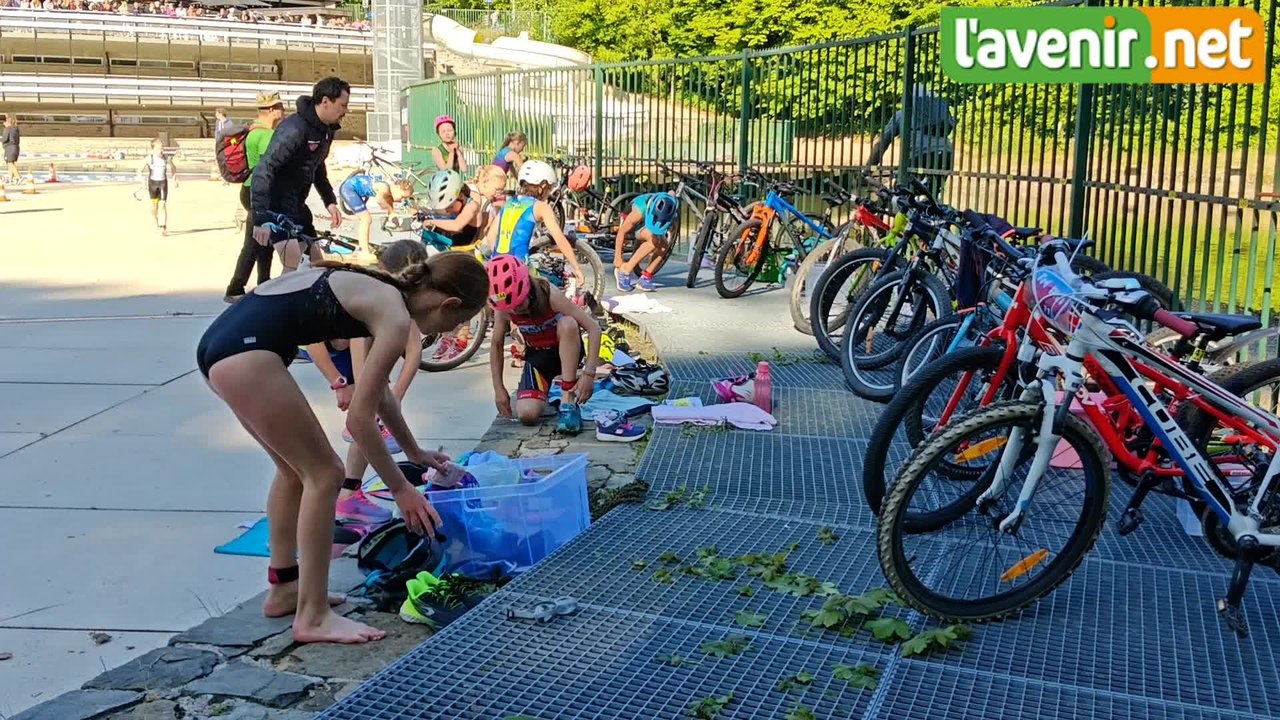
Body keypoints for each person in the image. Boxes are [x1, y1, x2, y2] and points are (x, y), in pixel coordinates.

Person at [195, 251, 488, 644]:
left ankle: (284, 587)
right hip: (245, 354)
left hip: (222, 347)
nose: (448, 332)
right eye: (456, 323)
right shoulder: (396, 315)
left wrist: (414, 453)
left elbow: (379, 393)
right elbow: (360, 421)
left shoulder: (382, 292)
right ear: (448, 304)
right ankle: (313, 616)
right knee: (325, 473)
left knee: (293, 472)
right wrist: (401, 490)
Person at [304, 240, 427, 524]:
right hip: (309, 348)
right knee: (322, 465)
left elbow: (414, 351)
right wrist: (339, 383)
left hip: (344, 347)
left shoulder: (397, 299)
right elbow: (320, 346)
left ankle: (350, 492)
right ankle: (345, 498)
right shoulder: (374, 298)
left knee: (368, 415)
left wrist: (394, 397)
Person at [487, 255, 601, 435]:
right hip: (538, 357)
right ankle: (551, 389)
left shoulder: (550, 294)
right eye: (511, 308)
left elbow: (594, 329)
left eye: (519, 304)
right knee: (527, 415)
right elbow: (496, 345)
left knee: (568, 323)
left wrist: (589, 373)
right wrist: (498, 389)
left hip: (566, 350)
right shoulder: (504, 309)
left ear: (527, 288)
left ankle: (568, 399)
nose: (516, 311)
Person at [251, 77, 349, 274]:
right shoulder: (294, 128)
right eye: (342, 105)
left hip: (297, 204)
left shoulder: (326, 131)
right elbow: (264, 169)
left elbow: (317, 167)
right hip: (275, 205)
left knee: (316, 265)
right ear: (325, 101)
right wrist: (260, 219)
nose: (345, 111)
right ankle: (276, 303)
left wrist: (329, 201)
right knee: (293, 267)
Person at [225, 91, 286, 303]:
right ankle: (236, 287)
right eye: (280, 107)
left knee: (264, 239)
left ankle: (264, 282)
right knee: (253, 241)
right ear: (270, 110)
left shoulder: (255, 131)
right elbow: (268, 167)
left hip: (250, 188)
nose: (283, 111)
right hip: (259, 191)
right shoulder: (264, 135)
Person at [868, 83, 955, 198]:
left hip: (919, 156)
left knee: (901, 191)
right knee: (931, 196)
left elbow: (881, 145)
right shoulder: (936, 113)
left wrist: (868, 168)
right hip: (946, 155)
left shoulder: (902, 114)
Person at [613, 191, 679, 292]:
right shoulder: (638, 211)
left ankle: (646, 277)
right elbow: (622, 232)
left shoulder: (671, 212)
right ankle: (624, 271)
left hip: (646, 222)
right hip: (634, 224)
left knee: (664, 245)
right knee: (654, 241)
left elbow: (671, 229)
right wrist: (618, 257)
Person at [337, 173, 414, 257]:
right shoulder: (385, 188)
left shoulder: (389, 190)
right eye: (402, 197)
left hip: (351, 186)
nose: (401, 200)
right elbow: (380, 200)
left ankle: (364, 246)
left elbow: (389, 204)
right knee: (366, 219)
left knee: (366, 219)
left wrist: (392, 215)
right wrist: (390, 211)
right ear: (397, 188)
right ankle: (363, 251)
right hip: (349, 189)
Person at [138, 137, 177, 235]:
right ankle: (157, 223)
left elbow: (173, 168)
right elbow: (139, 170)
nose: (162, 150)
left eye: (162, 148)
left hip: (163, 183)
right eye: (159, 148)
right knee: (153, 208)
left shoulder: (166, 157)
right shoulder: (149, 158)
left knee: (162, 205)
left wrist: (174, 179)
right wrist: (142, 183)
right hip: (152, 184)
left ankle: (162, 226)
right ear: (153, 149)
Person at [1, 115, 19, 184]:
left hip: (9, 148)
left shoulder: (7, 129)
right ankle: (11, 179)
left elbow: (4, 139)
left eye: (5, 122)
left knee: (10, 163)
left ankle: (18, 177)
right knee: (10, 163)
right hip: (16, 147)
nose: (4, 123)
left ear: (8, 122)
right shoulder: (16, 129)